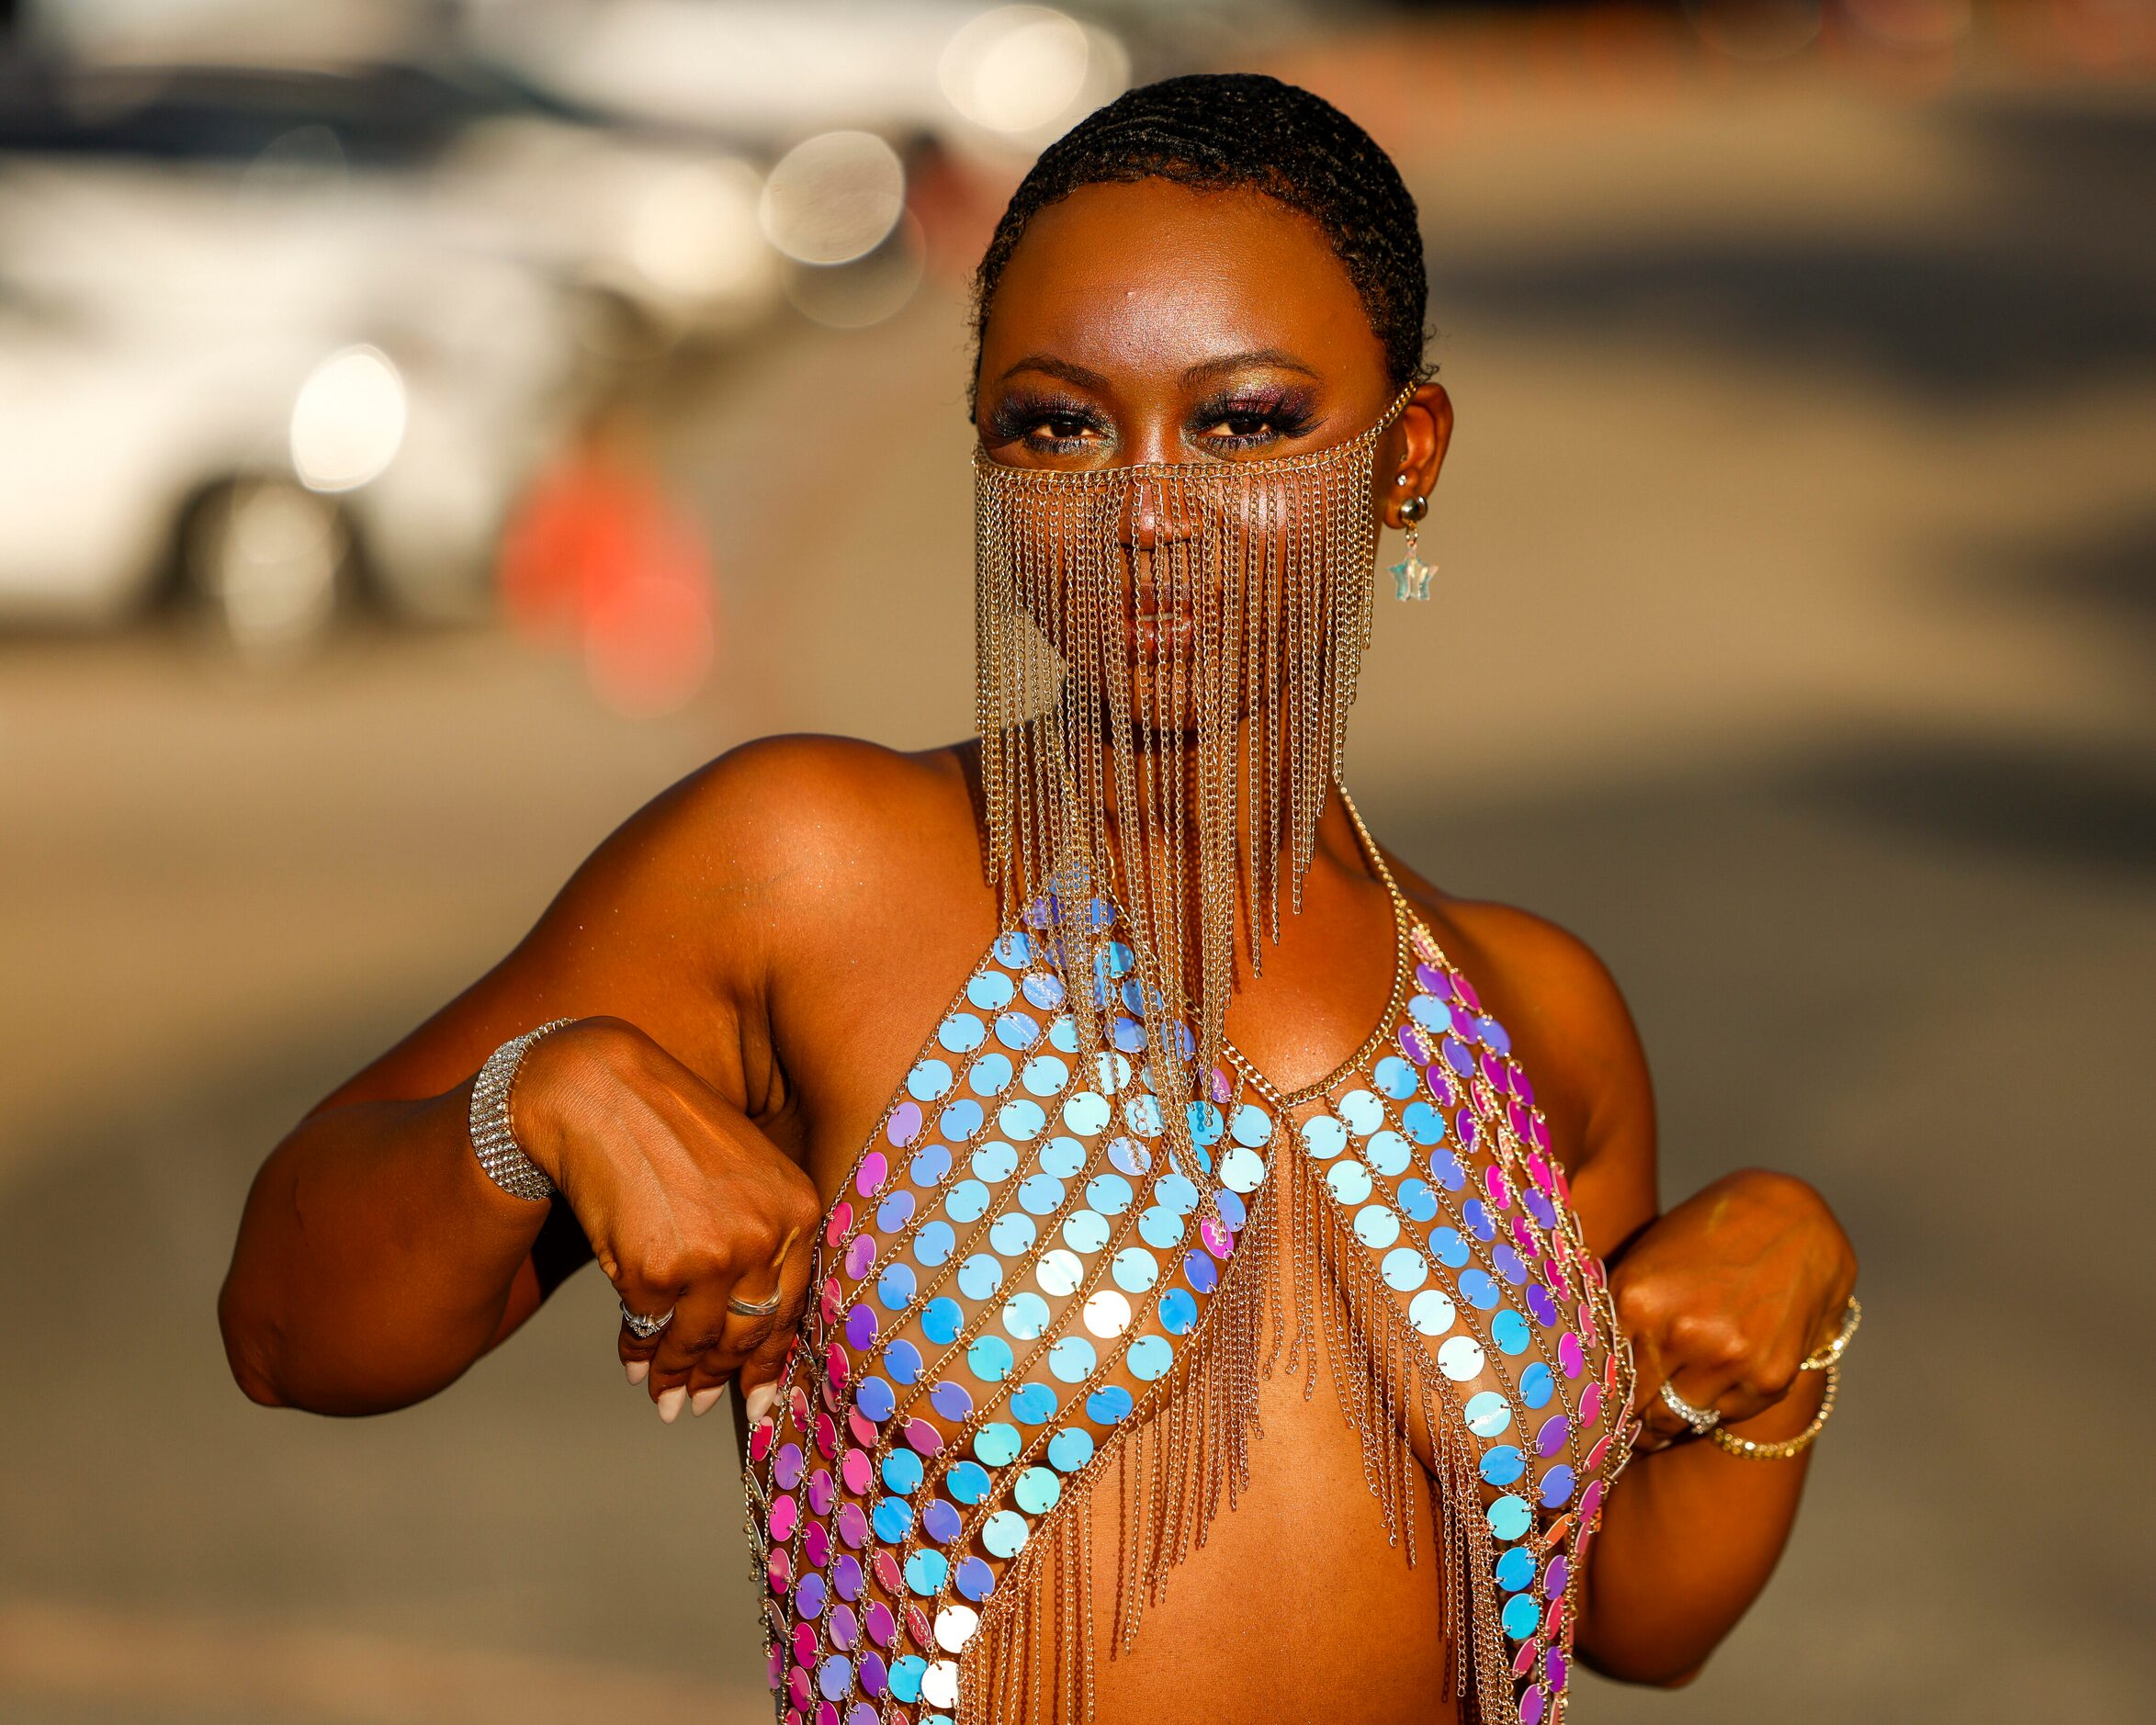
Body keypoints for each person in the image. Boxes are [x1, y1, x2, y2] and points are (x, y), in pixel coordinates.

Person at [220, 73, 1859, 1725]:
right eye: (1060, 424)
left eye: (1245, 422)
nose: (1143, 510)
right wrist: (538, 1102)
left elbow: (1629, 1605)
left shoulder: (1535, 1015)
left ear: (1405, 454)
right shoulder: (813, 866)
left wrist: (1799, 1286)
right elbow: (286, 1326)